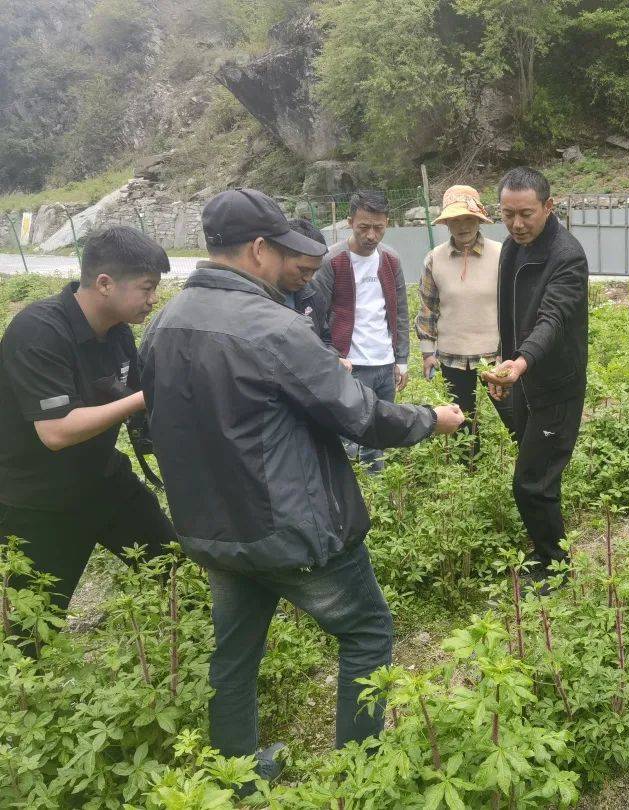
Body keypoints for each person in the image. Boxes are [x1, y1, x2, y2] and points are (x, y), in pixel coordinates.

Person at [139, 188, 464, 784]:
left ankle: (234, 777)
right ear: (259, 248)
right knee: (367, 632)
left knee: (233, 655)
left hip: (213, 530)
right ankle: (361, 771)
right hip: (289, 528)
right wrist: (431, 419)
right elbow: (362, 417)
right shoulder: (272, 326)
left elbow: (151, 427)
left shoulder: (165, 322)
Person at [0, 226, 175, 616]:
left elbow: (130, 399)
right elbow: (57, 431)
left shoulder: (117, 333)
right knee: (34, 628)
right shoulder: (38, 331)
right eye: (146, 288)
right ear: (105, 283)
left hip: (103, 480)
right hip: (37, 502)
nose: (153, 299)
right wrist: (143, 398)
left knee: (176, 571)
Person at [481, 167, 588, 582]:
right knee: (539, 477)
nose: (517, 224)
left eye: (526, 214)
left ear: (548, 206)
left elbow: (552, 319)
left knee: (531, 483)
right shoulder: (512, 248)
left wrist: (520, 362)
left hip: (555, 386)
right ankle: (549, 553)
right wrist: (508, 361)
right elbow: (511, 316)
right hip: (522, 377)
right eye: (507, 214)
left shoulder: (567, 255)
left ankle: (555, 569)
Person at [314, 191, 409, 471]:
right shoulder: (332, 261)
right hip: (350, 365)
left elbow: (400, 311)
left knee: (379, 435)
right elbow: (318, 317)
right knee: (349, 437)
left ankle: (378, 498)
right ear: (349, 222)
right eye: (363, 227)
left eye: (378, 228)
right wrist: (331, 358)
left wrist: (401, 359)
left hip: (385, 363)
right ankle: (354, 497)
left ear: (386, 224)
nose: (371, 235)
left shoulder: (391, 260)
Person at [415, 185, 512, 444]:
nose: (463, 226)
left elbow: (513, 307)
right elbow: (427, 308)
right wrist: (427, 352)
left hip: (495, 357)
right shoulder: (434, 259)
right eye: (455, 220)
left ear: (479, 220)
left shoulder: (502, 254)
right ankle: (469, 470)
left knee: (513, 416)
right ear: (446, 223)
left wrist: (511, 352)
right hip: (452, 357)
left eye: (468, 218)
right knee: (462, 423)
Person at [280, 218, 330, 339]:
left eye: (314, 271)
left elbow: (325, 338)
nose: (308, 278)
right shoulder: (257, 296)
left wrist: (333, 357)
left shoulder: (314, 292)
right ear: (279, 256)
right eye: (302, 270)